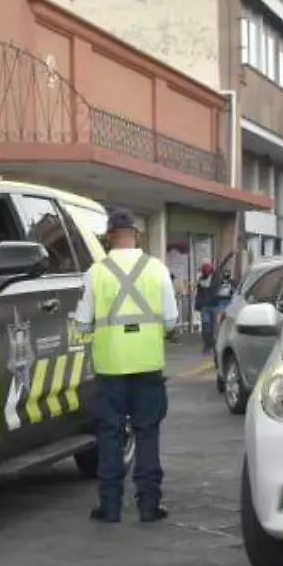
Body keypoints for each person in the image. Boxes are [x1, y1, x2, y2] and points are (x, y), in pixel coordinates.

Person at [73, 208, 176, 524]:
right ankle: (148, 505)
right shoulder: (157, 269)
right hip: (147, 365)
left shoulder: (96, 273)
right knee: (147, 434)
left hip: (110, 368)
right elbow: (171, 321)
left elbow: (82, 322)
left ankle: (111, 507)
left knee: (110, 436)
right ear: (135, 235)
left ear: (109, 238)